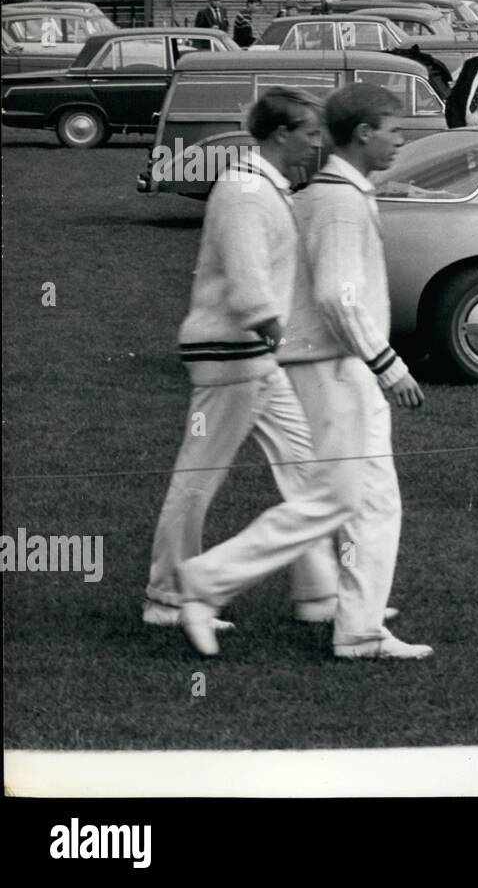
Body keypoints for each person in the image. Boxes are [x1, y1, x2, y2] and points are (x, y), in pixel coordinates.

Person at [180, 83, 432, 660]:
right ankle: (207, 580)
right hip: (330, 365)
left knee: (368, 500)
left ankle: (359, 627)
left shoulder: (332, 194)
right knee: (339, 498)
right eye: (394, 130)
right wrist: (387, 364)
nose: (401, 141)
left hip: (331, 364)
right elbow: (337, 297)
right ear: (364, 133)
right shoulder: (340, 202)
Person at [144, 87, 338, 632]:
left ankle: (320, 592)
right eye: (310, 134)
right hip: (231, 355)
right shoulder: (246, 190)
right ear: (281, 134)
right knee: (198, 475)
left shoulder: (264, 186)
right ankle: (167, 596)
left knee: (307, 471)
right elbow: (249, 284)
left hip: (252, 357)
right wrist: (287, 343)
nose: (316, 144)